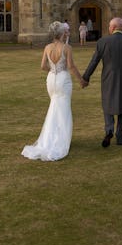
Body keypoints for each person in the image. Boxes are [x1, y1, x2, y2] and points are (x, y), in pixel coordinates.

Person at [22, 21, 86, 161]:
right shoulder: (67, 48)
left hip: (51, 79)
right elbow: (71, 66)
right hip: (63, 79)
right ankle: (60, 140)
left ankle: (50, 139)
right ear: (62, 33)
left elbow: (42, 66)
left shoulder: (47, 47)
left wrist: (52, 71)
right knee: (63, 109)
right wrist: (81, 80)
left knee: (54, 107)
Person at [82, 17, 122, 147]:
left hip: (108, 77)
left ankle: (109, 130)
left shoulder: (103, 41)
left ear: (112, 28)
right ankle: (120, 136)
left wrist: (85, 77)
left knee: (108, 103)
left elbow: (94, 62)